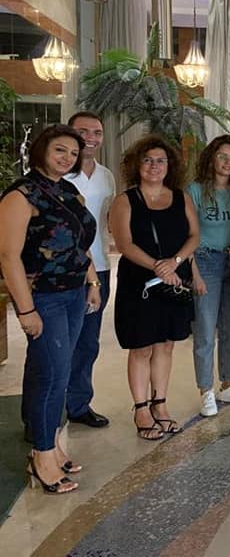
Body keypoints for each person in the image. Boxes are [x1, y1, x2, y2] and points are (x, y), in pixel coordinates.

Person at [0, 125, 99, 494]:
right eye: (60, 150)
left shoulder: (68, 191)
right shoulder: (21, 194)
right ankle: (41, 457)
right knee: (50, 375)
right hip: (44, 297)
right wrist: (26, 311)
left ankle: (52, 444)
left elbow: (80, 243)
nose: (67, 158)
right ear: (41, 149)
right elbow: (8, 256)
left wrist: (92, 281)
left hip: (74, 293)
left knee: (62, 372)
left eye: (73, 153)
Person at [110, 135, 200, 440]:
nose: (154, 166)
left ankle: (160, 404)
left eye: (160, 160)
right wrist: (158, 266)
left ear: (169, 165)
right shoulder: (125, 200)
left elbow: (194, 236)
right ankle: (141, 409)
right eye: (147, 160)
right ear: (137, 164)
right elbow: (124, 243)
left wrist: (174, 262)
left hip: (174, 281)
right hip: (140, 283)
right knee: (142, 346)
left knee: (165, 344)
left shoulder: (181, 197)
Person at [186, 135, 230, 417]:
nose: (228, 162)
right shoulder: (195, 190)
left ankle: (227, 383)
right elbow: (187, 235)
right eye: (222, 156)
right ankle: (206, 390)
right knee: (204, 330)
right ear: (211, 158)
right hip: (206, 261)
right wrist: (195, 274)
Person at [62, 111, 115, 429]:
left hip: (101, 269)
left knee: (87, 342)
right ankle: (46, 411)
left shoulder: (107, 176)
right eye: (83, 132)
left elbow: (107, 221)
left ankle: (78, 404)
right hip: (66, 270)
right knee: (57, 343)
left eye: (97, 132)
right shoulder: (59, 175)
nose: (90, 138)